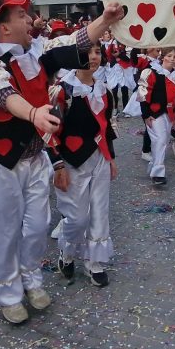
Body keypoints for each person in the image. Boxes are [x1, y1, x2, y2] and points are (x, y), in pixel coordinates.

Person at [0, 0, 123, 324]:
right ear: (4, 27)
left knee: (37, 226)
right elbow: (1, 93)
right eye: (23, 15)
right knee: (6, 228)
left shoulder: (35, 52)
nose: (30, 19)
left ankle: (31, 277)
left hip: (35, 155)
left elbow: (73, 41)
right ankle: (7, 291)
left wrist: (106, 19)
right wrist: (34, 112)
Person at [51, 44, 117, 288]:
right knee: (77, 218)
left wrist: (111, 159)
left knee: (100, 211)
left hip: (99, 157)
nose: (92, 58)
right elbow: (49, 132)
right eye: (87, 52)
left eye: (97, 52)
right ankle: (66, 254)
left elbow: (106, 127)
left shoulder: (104, 91)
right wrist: (57, 165)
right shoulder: (61, 91)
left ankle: (94, 262)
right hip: (70, 161)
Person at [138, 49, 175, 186]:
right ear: (163, 57)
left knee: (163, 141)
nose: (172, 59)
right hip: (154, 112)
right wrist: (146, 115)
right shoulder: (152, 72)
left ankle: (153, 166)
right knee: (160, 140)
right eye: (169, 56)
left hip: (170, 114)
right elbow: (143, 94)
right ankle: (158, 174)